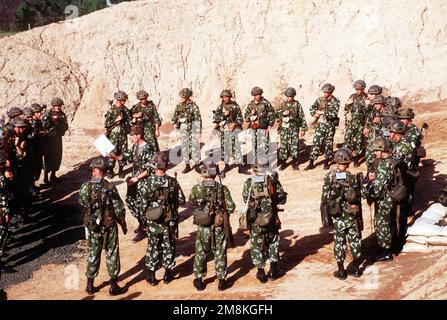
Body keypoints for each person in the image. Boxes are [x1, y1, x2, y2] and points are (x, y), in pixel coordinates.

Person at [79, 158, 128, 296]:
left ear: (94, 170)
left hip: (92, 226)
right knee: (112, 253)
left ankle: (90, 286)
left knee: (93, 253)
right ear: (104, 171)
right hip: (109, 225)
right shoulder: (110, 187)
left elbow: (82, 202)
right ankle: (113, 286)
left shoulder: (85, 187)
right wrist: (122, 222)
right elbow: (119, 208)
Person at [140, 152, 185, 286]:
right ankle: (167, 274)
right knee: (169, 245)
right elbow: (182, 201)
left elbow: (142, 205)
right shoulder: (172, 181)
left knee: (153, 246)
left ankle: (152, 276)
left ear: (154, 165)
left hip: (153, 220)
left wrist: (144, 221)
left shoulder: (147, 182)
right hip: (169, 220)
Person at [189, 163, 235, 291]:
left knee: (201, 252)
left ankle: (199, 279)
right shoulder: (222, 189)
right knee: (220, 251)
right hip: (218, 226)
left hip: (203, 226)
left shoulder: (197, 189)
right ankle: (221, 281)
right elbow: (231, 207)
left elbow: (192, 201)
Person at [242, 162, 287, 283]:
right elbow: (282, 199)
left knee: (257, 245)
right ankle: (273, 270)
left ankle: (261, 272)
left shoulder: (248, 183)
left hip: (256, 221)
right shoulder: (272, 181)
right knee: (273, 242)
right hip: (272, 219)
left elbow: (245, 198)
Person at [321, 148, 362, 279]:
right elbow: (359, 196)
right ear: (348, 162)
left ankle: (341, 271)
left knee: (340, 241)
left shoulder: (329, 176)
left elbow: (324, 198)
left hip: (338, 215)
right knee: (355, 239)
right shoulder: (352, 177)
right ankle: (355, 268)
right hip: (352, 213)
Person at [109, 125, 154, 243]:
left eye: (132, 135)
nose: (130, 138)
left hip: (143, 182)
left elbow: (151, 168)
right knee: (130, 201)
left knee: (142, 205)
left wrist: (137, 178)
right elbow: (127, 158)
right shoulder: (136, 146)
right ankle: (142, 223)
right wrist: (114, 156)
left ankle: (145, 228)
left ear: (138, 136)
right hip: (134, 180)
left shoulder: (148, 148)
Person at [364, 137, 395, 262]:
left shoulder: (384, 165)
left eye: (377, 150)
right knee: (386, 223)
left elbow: (377, 189)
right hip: (389, 198)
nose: (375, 153)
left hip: (384, 200)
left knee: (382, 224)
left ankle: (386, 252)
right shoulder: (391, 161)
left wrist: (366, 192)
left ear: (383, 150)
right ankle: (385, 247)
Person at [305, 83, 340, 170]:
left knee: (328, 143)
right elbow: (311, 108)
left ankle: (326, 161)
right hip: (320, 124)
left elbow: (334, 114)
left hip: (330, 125)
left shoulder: (335, 101)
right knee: (316, 142)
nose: (325, 94)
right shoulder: (320, 100)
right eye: (324, 92)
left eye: (327, 92)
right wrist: (315, 113)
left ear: (331, 92)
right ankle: (311, 162)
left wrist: (323, 112)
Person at [212, 90, 245, 174]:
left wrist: (234, 123)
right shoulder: (220, 107)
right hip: (223, 131)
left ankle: (240, 166)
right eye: (223, 97)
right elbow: (215, 119)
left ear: (230, 97)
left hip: (232, 130)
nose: (224, 98)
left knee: (236, 147)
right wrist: (224, 115)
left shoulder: (235, 106)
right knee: (224, 148)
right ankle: (226, 165)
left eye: (226, 97)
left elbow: (241, 119)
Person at [171, 88, 202, 174]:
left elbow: (198, 119)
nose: (181, 99)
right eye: (181, 97)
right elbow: (174, 117)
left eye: (183, 97)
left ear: (188, 97)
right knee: (185, 147)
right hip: (183, 128)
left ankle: (197, 165)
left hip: (192, 128)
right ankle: (187, 165)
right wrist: (174, 123)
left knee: (195, 146)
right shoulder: (179, 106)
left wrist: (198, 132)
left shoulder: (194, 106)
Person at [276, 87, 307, 171]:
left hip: (294, 127)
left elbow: (302, 117)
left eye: (290, 96)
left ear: (293, 96)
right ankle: (283, 162)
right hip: (284, 128)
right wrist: (283, 113)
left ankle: (295, 162)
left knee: (294, 145)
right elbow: (277, 115)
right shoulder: (283, 104)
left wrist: (303, 129)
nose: (288, 98)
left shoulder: (297, 105)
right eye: (287, 96)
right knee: (283, 145)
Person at [244, 87, 276, 164]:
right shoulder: (251, 104)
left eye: (259, 94)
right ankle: (256, 160)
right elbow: (246, 117)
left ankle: (265, 161)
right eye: (256, 95)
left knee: (265, 145)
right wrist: (250, 114)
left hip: (263, 128)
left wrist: (269, 126)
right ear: (253, 95)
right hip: (254, 128)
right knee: (254, 145)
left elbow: (272, 114)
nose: (258, 96)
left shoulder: (265, 103)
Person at [104, 91, 131, 178]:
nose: (125, 101)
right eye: (124, 99)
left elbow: (130, 122)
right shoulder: (111, 110)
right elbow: (107, 124)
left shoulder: (126, 110)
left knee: (123, 152)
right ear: (119, 99)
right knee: (112, 152)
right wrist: (115, 120)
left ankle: (121, 170)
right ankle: (110, 170)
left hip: (123, 134)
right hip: (114, 135)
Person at [42, 97, 69, 183]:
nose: (58, 107)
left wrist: (61, 127)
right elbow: (44, 125)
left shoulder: (62, 114)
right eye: (56, 106)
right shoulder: (48, 113)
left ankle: (53, 175)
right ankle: (46, 177)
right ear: (53, 106)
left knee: (57, 157)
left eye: (59, 105)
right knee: (48, 157)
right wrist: (51, 121)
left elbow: (66, 125)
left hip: (57, 138)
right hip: (49, 139)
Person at [343, 80, 368, 167]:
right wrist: (347, 104)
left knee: (358, 141)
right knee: (347, 140)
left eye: (359, 89)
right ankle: (347, 158)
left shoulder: (366, 98)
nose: (358, 91)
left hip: (360, 123)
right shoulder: (352, 96)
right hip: (351, 122)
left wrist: (366, 125)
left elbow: (368, 112)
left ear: (363, 89)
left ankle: (356, 159)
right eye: (356, 89)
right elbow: (346, 108)